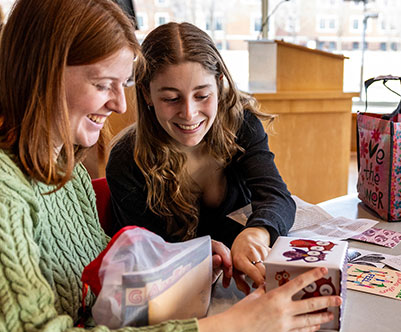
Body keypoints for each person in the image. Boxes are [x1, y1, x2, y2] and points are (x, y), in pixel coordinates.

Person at [0, 0, 339, 332]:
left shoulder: (62, 170)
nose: (120, 106)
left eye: (121, 85)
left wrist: (185, 267)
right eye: (103, 84)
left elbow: (98, 294)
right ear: (43, 73)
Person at [106, 22, 296, 294]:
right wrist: (192, 254)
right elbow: (142, 252)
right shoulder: (127, 160)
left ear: (219, 85)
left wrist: (257, 232)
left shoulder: (242, 125)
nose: (189, 113)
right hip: (175, 297)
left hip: (244, 291)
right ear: (147, 93)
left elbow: (277, 196)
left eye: (202, 95)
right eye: (171, 98)